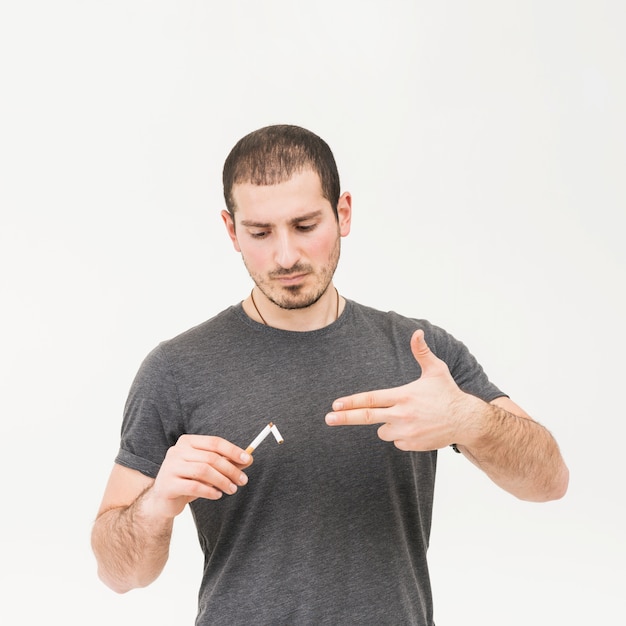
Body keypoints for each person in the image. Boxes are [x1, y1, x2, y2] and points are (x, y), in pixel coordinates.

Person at [91, 124, 569, 625]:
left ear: (342, 214)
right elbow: (118, 574)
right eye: (259, 233)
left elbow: (549, 482)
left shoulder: (422, 354)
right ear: (232, 231)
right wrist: (156, 504)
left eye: (304, 225)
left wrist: (471, 421)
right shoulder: (175, 370)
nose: (285, 256)